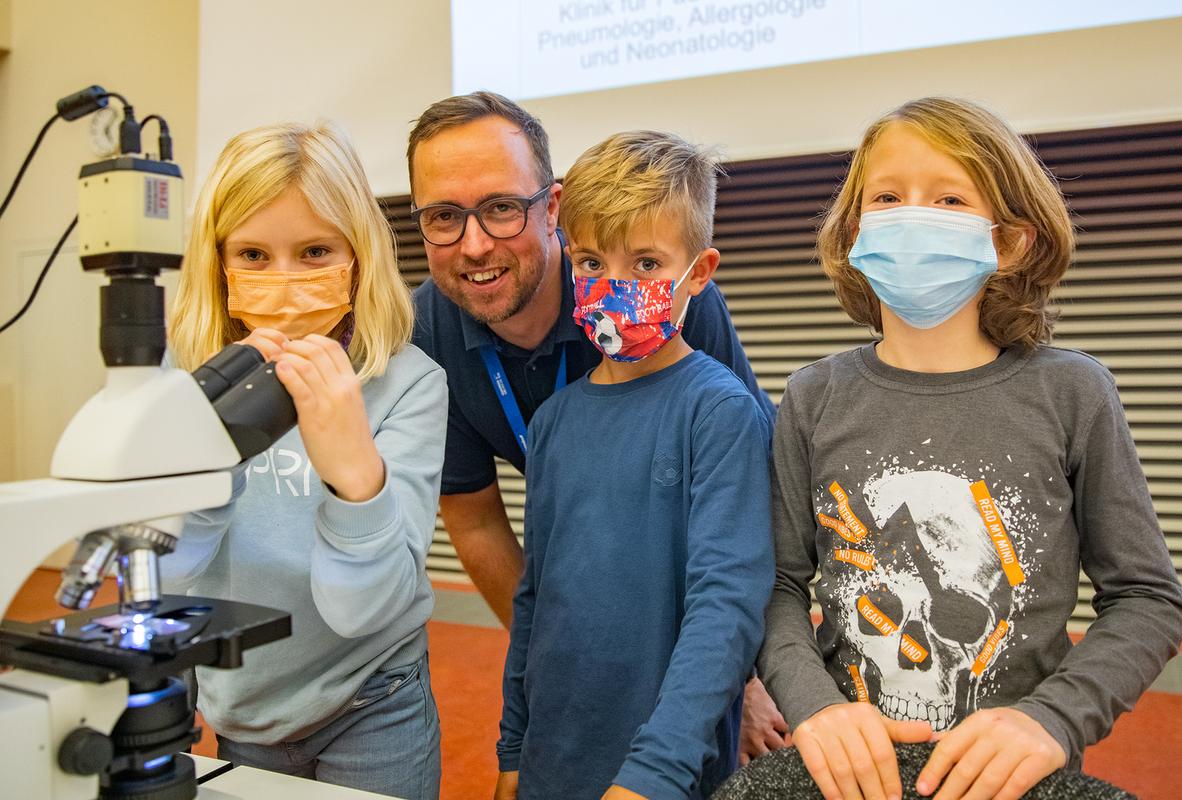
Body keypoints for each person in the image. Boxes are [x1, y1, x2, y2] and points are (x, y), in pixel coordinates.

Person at [758, 96, 1182, 800]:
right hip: (847, 780)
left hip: (1015, 784)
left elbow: (1146, 598)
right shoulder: (814, 396)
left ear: (1010, 240)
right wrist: (816, 707)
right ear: (855, 231)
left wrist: (1051, 719)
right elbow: (776, 586)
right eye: (888, 197)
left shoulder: (1072, 393)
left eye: (949, 198)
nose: (912, 215)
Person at [406, 91, 789, 760]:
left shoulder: (671, 303)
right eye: (443, 216)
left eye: (500, 208)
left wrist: (746, 681)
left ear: (551, 208)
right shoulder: (429, 333)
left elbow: (746, 511)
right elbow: (475, 522)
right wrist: (553, 670)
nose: (474, 245)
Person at [163, 122, 447, 800]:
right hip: (245, 707)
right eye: (253, 255)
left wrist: (356, 477)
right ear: (216, 260)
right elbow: (163, 575)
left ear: (359, 254)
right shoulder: (180, 381)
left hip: (373, 705)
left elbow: (363, 612)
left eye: (315, 251)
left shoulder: (407, 383)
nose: (284, 282)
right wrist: (210, 462)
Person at [494, 131, 775, 800]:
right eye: (591, 260)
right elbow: (535, 598)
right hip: (549, 763)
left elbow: (725, 610)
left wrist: (656, 773)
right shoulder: (555, 422)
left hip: (664, 775)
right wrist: (512, 744)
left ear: (698, 273)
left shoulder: (719, 413)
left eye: (646, 264)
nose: (614, 285)